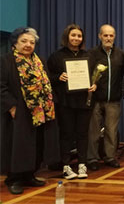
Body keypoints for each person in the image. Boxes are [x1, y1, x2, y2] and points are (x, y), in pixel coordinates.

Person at [0, 27, 60, 194]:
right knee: (18, 146)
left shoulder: (39, 61)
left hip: (40, 111)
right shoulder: (6, 61)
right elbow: (1, 87)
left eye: (32, 42)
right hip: (18, 112)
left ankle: (29, 175)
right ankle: (14, 179)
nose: (28, 45)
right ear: (15, 43)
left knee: (36, 145)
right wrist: (11, 106)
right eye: (24, 41)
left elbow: (47, 83)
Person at [47, 24, 97, 179]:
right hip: (65, 102)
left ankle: (82, 164)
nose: (76, 38)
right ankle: (66, 165)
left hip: (84, 102)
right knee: (66, 134)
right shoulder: (56, 56)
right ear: (67, 37)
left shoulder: (88, 55)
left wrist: (95, 84)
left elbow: (96, 77)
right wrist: (58, 78)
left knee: (82, 133)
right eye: (73, 35)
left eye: (79, 36)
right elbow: (48, 78)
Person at [87, 24, 124, 171]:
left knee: (111, 131)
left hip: (113, 100)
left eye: (111, 35)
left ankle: (110, 157)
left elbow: (121, 75)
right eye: (105, 35)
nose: (108, 38)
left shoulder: (121, 54)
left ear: (114, 36)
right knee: (94, 131)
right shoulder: (92, 54)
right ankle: (92, 158)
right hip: (96, 100)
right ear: (100, 36)